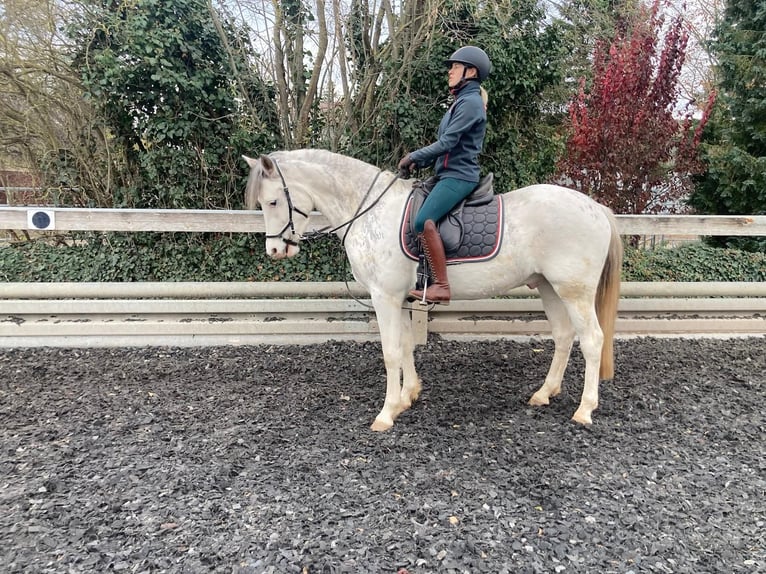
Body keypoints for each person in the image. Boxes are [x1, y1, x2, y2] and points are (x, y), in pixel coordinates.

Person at [398, 45, 491, 304]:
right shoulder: (461, 102)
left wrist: (414, 156)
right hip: (447, 173)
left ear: (470, 72)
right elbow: (446, 147)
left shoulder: (470, 103)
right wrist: (423, 162)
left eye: (455, 66)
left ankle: (441, 286)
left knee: (422, 220)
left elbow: (448, 143)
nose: (450, 71)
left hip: (459, 176)